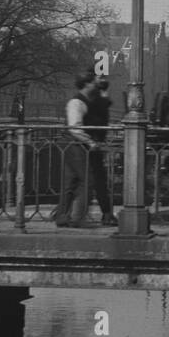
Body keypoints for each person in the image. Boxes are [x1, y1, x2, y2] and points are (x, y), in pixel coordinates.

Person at [56, 73, 108, 227]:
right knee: (87, 180)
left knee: (70, 181)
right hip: (75, 144)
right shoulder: (77, 103)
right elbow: (75, 127)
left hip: (72, 144)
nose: (96, 86)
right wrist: (90, 142)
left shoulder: (85, 101)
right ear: (86, 84)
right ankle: (77, 218)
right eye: (94, 83)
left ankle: (63, 216)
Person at [84, 78, 116, 224]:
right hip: (93, 143)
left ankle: (65, 212)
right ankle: (107, 213)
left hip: (92, 142)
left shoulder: (93, 99)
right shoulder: (98, 101)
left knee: (82, 179)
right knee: (98, 180)